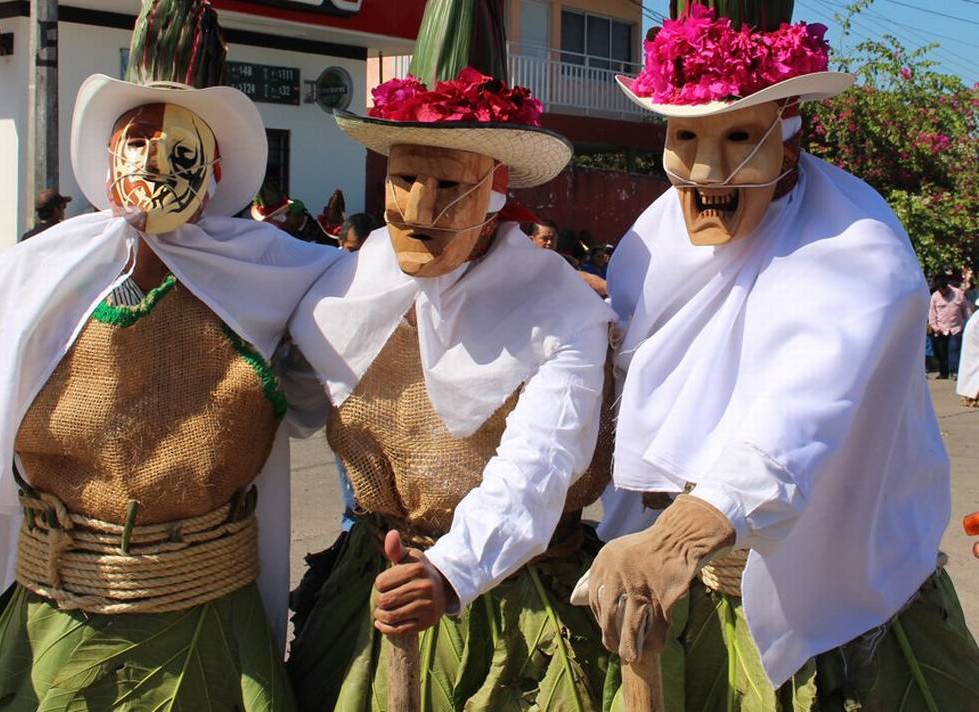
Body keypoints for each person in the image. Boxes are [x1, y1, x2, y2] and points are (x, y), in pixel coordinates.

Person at [0, 2, 339, 709]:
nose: (155, 158)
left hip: (209, 633)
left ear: (216, 167)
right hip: (52, 629)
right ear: (109, 164)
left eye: (180, 142)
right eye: (137, 138)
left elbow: (369, 340)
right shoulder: (45, 274)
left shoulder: (276, 275)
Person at [574, 4, 979, 709]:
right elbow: (632, 363)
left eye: (738, 137)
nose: (707, 170)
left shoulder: (857, 250)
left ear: (788, 143)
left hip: (839, 603)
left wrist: (673, 540)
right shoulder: (654, 235)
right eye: (686, 137)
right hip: (685, 597)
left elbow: (797, 417)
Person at [286, 6, 616, 706]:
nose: (416, 208)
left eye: (447, 188)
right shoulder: (344, 283)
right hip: (369, 589)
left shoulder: (559, 311)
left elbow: (541, 465)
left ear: (495, 199)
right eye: (404, 180)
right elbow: (283, 398)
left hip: (508, 598)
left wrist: (450, 573)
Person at [252, 185, 338, 246]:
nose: (279, 221)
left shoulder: (321, 232)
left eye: (286, 214)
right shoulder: (282, 235)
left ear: (299, 214)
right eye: (274, 218)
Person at [930, 272, 972, 379]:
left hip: (955, 328)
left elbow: (966, 310)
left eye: (943, 289)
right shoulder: (935, 297)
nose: (942, 292)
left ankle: (955, 372)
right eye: (939, 290)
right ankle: (943, 373)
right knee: (941, 353)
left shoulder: (958, 294)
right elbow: (932, 314)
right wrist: (935, 327)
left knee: (953, 350)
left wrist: (971, 324)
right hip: (940, 329)